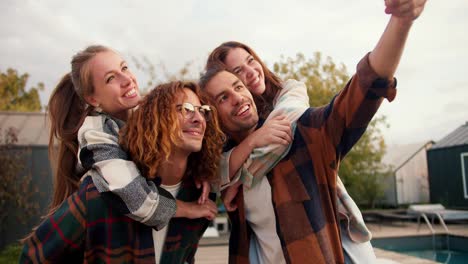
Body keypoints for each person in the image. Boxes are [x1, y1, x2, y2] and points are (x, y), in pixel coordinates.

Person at [200, 1, 426, 263]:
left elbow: (362, 91)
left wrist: (401, 21)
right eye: (223, 97)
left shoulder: (299, 131)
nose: (239, 96)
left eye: (239, 85)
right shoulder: (224, 169)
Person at [20, 80, 223, 263]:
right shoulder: (102, 194)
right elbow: (33, 257)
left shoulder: (199, 197)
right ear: (154, 119)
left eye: (202, 110)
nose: (198, 118)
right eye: (184, 109)